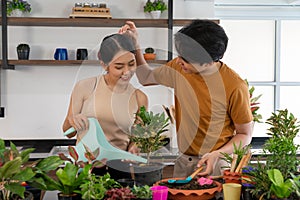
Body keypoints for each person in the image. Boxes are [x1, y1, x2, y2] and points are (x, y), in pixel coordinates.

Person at [119, 20, 253, 177]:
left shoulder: (234, 85)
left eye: (187, 59)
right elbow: (146, 77)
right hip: (185, 161)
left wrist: (218, 154)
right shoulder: (179, 68)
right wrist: (135, 44)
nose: (179, 61)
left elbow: (244, 134)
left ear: (210, 61)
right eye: (180, 55)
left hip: (218, 162)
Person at [62, 33, 148, 157]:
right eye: (119, 67)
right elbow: (67, 132)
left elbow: (137, 138)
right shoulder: (85, 87)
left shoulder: (140, 97)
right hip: (86, 168)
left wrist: (135, 146)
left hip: (121, 166)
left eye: (131, 64)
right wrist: (73, 121)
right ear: (104, 64)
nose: (127, 72)